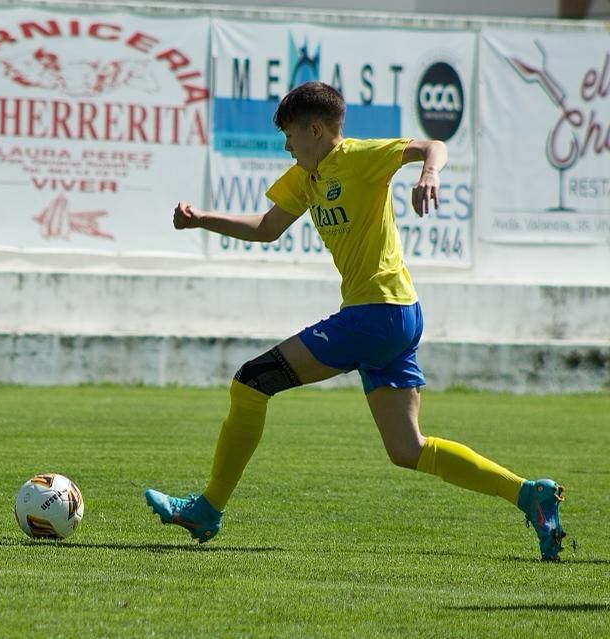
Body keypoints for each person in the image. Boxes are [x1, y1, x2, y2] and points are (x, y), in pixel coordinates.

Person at [144, 81, 567, 561]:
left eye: (289, 135)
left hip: (378, 313)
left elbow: (435, 145)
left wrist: (429, 173)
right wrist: (202, 219)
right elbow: (266, 228)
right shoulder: (307, 176)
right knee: (407, 450)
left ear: (317, 130)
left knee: (251, 382)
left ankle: (207, 509)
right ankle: (529, 495)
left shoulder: (360, 157)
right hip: (397, 314)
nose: (286, 145)